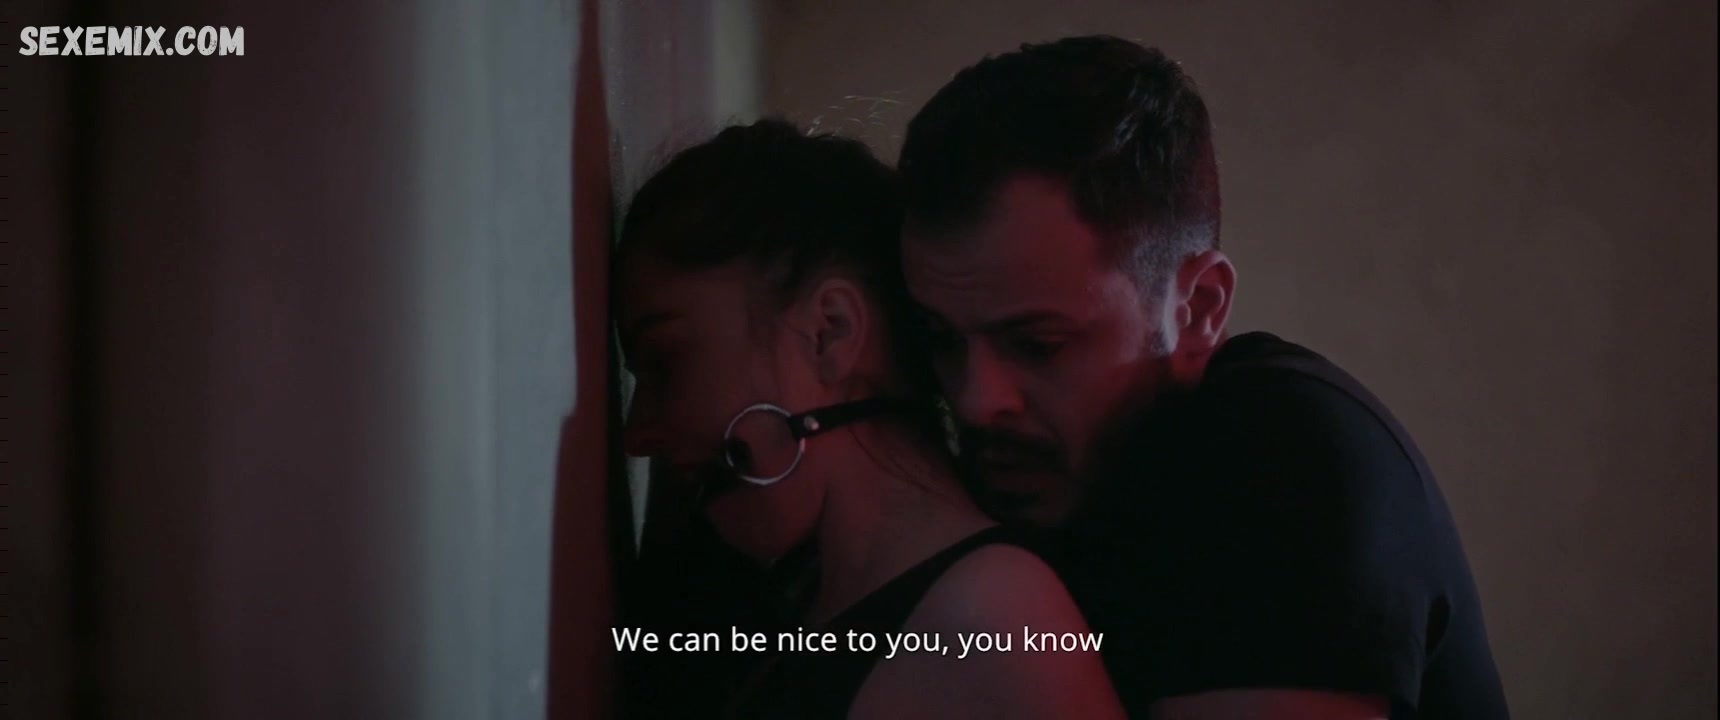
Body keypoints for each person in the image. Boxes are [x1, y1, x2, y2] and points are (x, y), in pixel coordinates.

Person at [896, 36, 1510, 719]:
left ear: (1198, 309)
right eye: (940, 339)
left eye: (1038, 345)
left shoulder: (1278, 453)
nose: (976, 401)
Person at [614, 119, 1123, 719]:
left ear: (829, 332)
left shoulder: (994, 623)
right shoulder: (794, 604)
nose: (637, 433)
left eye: (666, 361)